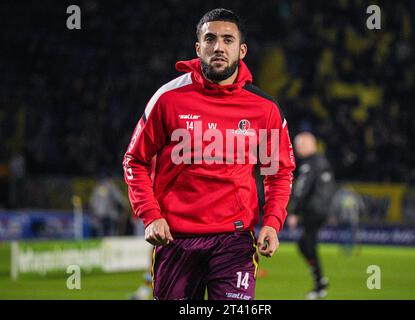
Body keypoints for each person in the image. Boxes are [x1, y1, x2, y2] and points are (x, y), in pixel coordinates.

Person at [122, 8, 295, 300]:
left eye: (228, 40)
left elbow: (279, 172)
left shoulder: (264, 109)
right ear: (198, 47)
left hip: (234, 241)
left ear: (242, 50)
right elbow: (135, 161)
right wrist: (150, 215)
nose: (218, 47)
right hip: (176, 239)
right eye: (210, 39)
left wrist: (273, 221)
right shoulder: (168, 99)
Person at [287, 132, 336, 300]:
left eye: (299, 145)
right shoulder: (322, 161)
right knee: (306, 244)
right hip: (321, 210)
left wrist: (294, 212)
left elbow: (302, 188)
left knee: (306, 244)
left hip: (313, 211)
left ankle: (319, 283)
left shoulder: (309, 163)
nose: (296, 148)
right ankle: (319, 280)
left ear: (309, 145)